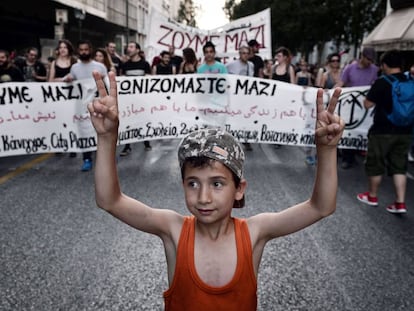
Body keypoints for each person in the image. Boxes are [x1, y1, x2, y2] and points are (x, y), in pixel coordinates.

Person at [88, 69, 344, 310]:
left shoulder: (255, 232)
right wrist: (107, 138)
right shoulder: (173, 230)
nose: (203, 197)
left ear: (239, 188)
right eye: (193, 183)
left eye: (217, 183)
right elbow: (110, 200)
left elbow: (321, 207)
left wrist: (327, 150)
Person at [356, 50, 412, 214]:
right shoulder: (411, 82)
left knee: (376, 163)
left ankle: (372, 196)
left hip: (382, 130)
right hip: (405, 130)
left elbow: (368, 105)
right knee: (400, 166)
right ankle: (400, 203)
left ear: (385, 65)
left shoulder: (382, 82)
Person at [64, 40, 107, 172]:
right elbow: (71, 81)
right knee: (84, 132)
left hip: (97, 104)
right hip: (81, 106)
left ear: (90, 50)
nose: (83, 52)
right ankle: (86, 159)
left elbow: (107, 85)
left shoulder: (100, 67)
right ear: (78, 51)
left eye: (86, 49)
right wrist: (69, 78)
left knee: (99, 130)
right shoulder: (75, 68)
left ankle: (102, 158)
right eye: (81, 50)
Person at [335, 46, 379, 169]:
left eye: (372, 60)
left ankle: (354, 155)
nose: (370, 62)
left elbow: (375, 84)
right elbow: (341, 83)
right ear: (362, 56)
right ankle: (347, 158)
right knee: (348, 129)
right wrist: (331, 93)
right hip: (350, 104)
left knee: (360, 129)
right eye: (368, 59)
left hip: (365, 104)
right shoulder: (350, 68)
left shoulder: (374, 69)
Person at [120, 42, 152, 156]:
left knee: (143, 120)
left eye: (131, 46)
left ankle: (146, 142)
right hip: (129, 100)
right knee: (128, 122)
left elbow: (149, 81)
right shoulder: (125, 65)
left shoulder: (145, 64)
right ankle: (127, 146)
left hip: (142, 100)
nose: (128, 49)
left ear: (138, 50)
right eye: (128, 47)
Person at [226, 46, 255, 151]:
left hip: (247, 97)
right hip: (235, 97)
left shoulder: (251, 65)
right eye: (243, 53)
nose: (245, 55)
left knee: (246, 118)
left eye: (247, 53)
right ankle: (232, 140)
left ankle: (245, 139)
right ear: (239, 54)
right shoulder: (231, 65)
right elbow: (223, 73)